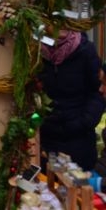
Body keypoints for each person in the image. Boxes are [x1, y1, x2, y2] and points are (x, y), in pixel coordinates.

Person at [39, 29, 105, 170]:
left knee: (79, 186)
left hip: (79, 139)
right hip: (46, 137)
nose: (58, 28)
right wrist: (38, 119)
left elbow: (98, 91)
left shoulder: (85, 50)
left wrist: (84, 122)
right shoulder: (37, 51)